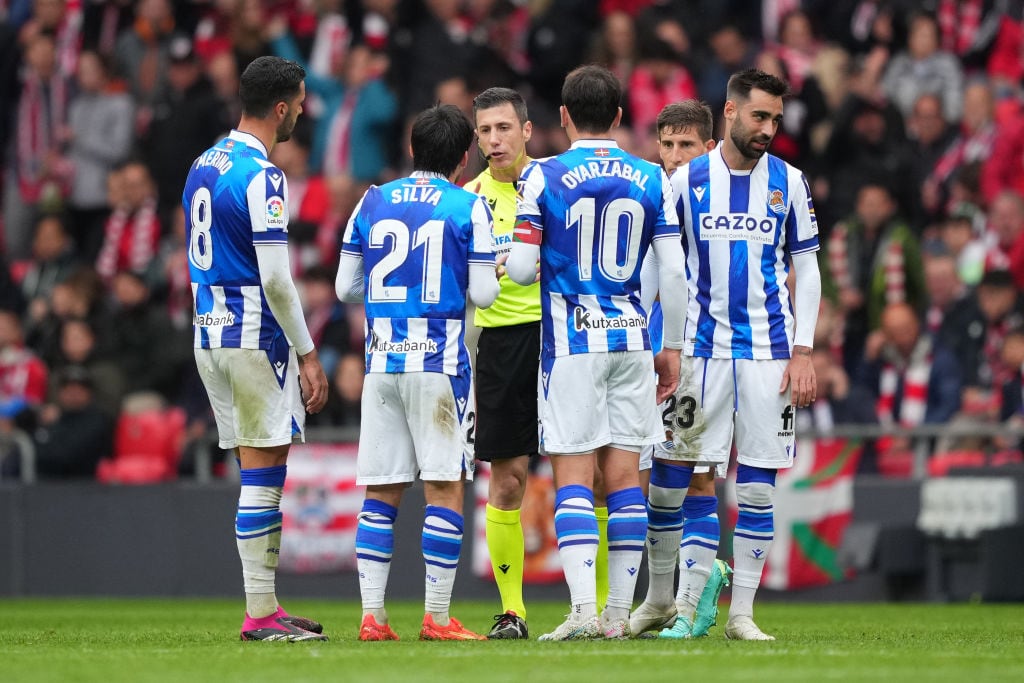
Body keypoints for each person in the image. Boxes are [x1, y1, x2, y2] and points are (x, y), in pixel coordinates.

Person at [631, 69, 821, 642]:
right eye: (759, 116)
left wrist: (805, 349)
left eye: (776, 120)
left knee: (757, 486)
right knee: (669, 477)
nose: (768, 129)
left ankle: (740, 614)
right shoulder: (685, 182)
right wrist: (644, 337)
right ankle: (664, 601)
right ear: (731, 113)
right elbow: (657, 266)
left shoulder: (789, 181)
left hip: (768, 353)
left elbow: (807, 267)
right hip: (697, 351)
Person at [506, 64, 687, 641]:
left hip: (572, 345)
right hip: (634, 339)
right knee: (625, 475)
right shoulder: (650, 177)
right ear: (618, 116)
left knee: (574, 475)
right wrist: (672, 346)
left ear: (562, 117)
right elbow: (674, 270)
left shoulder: (542, 179)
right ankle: (616, 615)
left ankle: (583, 611)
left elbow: (518, 267)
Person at [335, 103, 499, 642]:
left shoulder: (373, 199)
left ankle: (371, 616)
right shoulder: (465, 205)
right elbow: (484, 295)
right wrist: (490, 266)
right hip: (439, 364)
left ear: (411, 150)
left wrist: (388, 299)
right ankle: (436, 616)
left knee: (381, 491)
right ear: (463, 155)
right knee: (444, 488)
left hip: (381, 364)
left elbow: (343, 289)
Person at [182, 55, 329, 643]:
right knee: (265, 470)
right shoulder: (264, 176)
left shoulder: (203, 163)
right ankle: (260, 614)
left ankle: (265, 605)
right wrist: (308, 351)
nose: (301, 112)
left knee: (256, 468)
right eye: (299, 102)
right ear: (281, 107)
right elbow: (275, 279)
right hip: (251, 337)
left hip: (209, 333)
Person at [632, 100, 732, 641]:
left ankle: (692, 597)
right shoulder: (651, 195)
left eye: (685, 145)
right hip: (653, 347)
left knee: (692, 473)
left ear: (709, 148)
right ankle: (667, 598)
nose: (672, 156)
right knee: (658, 479)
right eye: (666, 145)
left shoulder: (709, 199)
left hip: (701, 349)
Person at [465, 87, 539, 640]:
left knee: (589, 477)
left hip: (566, 337)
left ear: (527, 130)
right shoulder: (468, 200)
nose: (495, 140)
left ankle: (605, 610)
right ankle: (513, 610)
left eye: (504, 128)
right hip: (500, 345)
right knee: (507, 481)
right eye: (485, 130)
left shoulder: (555, 183)